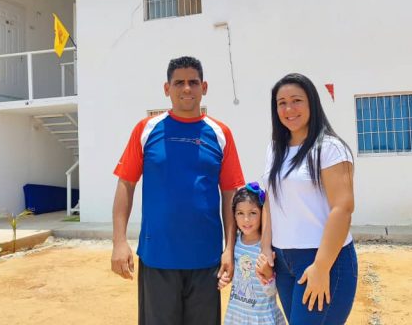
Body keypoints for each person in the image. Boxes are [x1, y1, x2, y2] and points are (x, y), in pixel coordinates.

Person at [111, 56, 245, 325]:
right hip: (157, 257)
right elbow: (126, 184)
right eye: (179, 82)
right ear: (167, 88)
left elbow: (230, 194)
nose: (186, 88)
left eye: (193, 82)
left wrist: (230, 249)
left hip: (206, 259)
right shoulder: (146, 129)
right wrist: (119, 242)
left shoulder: (220, 133)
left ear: (204, 87)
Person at [256, 73, 357, 325]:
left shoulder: (330, 148)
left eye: (296, 100)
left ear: (312, 102)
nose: (289, 109)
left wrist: (321, 267)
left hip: (323, 259)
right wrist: (266, 249)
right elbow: (270, 202)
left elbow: (342, 208)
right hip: (283, 262)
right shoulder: (275, 149)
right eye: (281, 103)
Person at [218, 182, 286, 325]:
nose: (246, 219)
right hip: (237, 316)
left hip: (261, 318)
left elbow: (272, 292)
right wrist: (225, 278)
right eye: (240, 213)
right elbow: (234, 275)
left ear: (263, 214)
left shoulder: (267, 248)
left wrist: (268, 275)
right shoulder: (234, 243)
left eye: (253, 213)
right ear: (234, 215)